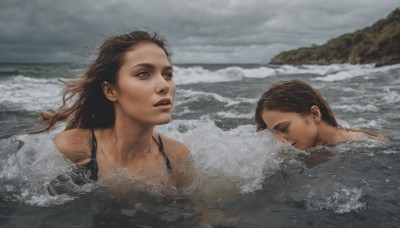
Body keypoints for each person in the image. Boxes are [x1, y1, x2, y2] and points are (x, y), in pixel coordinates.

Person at [33, 31, 194, 192]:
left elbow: (198, 212)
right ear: (110, 91)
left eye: (167, 75)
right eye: (143, 74)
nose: (164, 85)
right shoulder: (71, 148)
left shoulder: (176, 157)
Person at [255, 79, 387, 150]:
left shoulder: (360, 146)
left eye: (283, 129)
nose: (279, 141)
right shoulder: (309, 147)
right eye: (273, 133)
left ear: (314, 114)